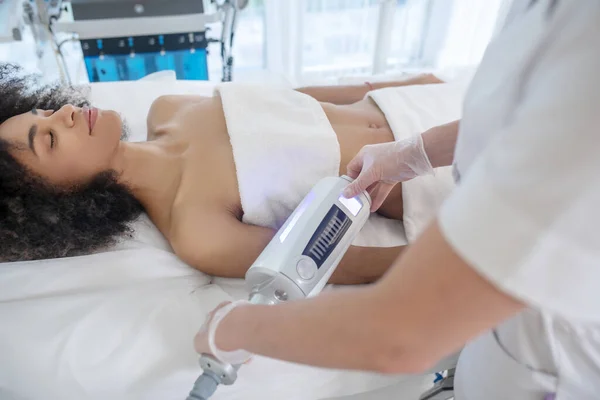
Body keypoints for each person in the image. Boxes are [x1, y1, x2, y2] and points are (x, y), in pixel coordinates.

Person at [194, 1, 600, 399]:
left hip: (548, 361)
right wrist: (414, 152)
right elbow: (533, 113)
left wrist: (233, 328)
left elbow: (401, 336)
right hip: (503, 324)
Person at [0, 62, 443, 284]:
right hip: (445, 175)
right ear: (61, 202)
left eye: (47, 110)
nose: (65, 114)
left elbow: (297, 97)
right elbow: (349, 263)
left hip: (428, 107)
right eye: (50, 139)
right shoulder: (198, 231)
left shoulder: (169, 108)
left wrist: (400, 85)